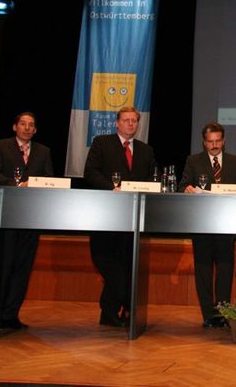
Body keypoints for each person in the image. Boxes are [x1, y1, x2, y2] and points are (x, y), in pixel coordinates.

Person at [84, 106, 156, 328]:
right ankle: (121, 306)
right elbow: (91, 173)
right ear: (117, 122)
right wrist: (112, 189)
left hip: (133, 220)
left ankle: (111, 313)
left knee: (127, 267)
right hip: (105, 217)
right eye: (126, 120)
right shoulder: (102, 143)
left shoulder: (145, 150)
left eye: (134, 121)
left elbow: (152, 179)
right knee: (110, 266)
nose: (130, 124)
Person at [0, 112, 54, 330]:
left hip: (31, 219)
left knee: (23, 268)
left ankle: (11, 316)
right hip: (5, 216)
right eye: (23, 124)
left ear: (35, 130)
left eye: (31, 125)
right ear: (15, 127)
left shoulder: (43, 152)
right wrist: (16, 185)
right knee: (3, 266)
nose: (27, 128)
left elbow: (48, 179)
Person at [178, 122, 236, 329]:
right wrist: (188, 190)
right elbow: (183, 185)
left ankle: (223, 312)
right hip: (202, 225)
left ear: (224, 141)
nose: (215, 145)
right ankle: (209, 315)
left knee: (226, 270)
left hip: (227, 225)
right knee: (203, 270)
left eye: (218, 141)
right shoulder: (193, 161)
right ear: (204, 142)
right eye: (210, 142)